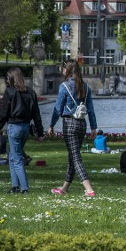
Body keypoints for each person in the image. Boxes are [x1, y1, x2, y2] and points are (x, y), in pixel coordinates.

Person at [48, 59, 97, 197]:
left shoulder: (64, 86)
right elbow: (91, 110)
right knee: (72, 157)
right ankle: (64, 188)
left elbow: (58, 108)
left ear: (68, 70)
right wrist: (93, 127)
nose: (63, 71)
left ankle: (89, 189)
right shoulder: (85, 86)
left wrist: (51, 124)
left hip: (69, 123)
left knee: (75, 157)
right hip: (82, 124)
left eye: (64, 68)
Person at [0, 68, 43, 194]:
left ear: (11, 78)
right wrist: (40, 132)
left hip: (14, 127)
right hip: (26, 128)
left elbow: (3, 112)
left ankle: (24, 188)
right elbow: (36, 114)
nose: (6, 80)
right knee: (12, 155)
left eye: (7, 77)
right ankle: (15, 186)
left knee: (17, 158)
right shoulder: (31, 92)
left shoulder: (10, 92)